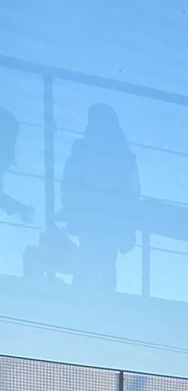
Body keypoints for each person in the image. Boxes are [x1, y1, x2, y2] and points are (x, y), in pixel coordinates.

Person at [59, 104, 140, 291]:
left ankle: (87, 300)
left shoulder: (82, 150)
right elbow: (132, 192)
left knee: (93, 264)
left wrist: (70, 208)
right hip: (103, 220)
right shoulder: (124, 156)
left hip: (97, 219)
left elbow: (69, 181)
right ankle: (100, 301)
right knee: (102, 266)